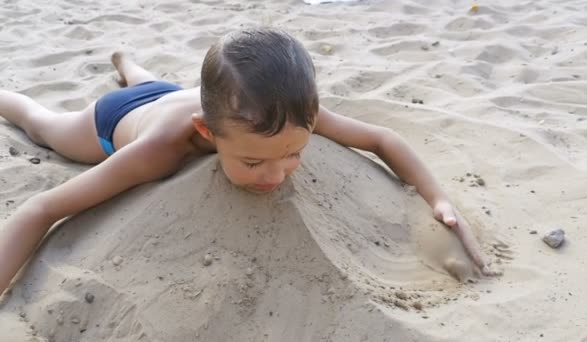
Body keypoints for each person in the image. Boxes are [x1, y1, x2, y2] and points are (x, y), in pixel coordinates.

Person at [0, 28, 495, 296]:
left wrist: (438, 199)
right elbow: (41, 210)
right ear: (206, 134)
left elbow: (383, 139)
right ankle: (94, 82)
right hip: (113, 123)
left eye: (294, 154)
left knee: (158, 85)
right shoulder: (157, 152)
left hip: (183, 95)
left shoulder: (282, 116)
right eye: (254, 163)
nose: (276, 174)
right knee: (41, 124)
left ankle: (129, 65)